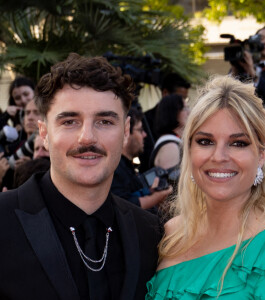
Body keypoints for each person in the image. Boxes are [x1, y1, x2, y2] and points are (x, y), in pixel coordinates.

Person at [0, 53, 162, 300]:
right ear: (43, 132)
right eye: (70, 121)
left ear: (126, 131)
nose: (87, 137)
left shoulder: (150, 234)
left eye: (105, 121)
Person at [146, 75, 265, 299]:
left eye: (238, 143)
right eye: (205, 141)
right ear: (189, 150)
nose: (219, 157)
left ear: (261, 154)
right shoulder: (169, 235)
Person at [111, 107, 172, 210]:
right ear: (126, 132)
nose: (144, 134)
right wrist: (157, 197)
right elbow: (125, 206)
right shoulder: (115, 168)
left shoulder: (126, 166)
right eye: (140, 130)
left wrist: (150, 193)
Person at [139, 73, 191, 172]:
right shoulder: (145, 120)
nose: (188, 111)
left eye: (185, 100)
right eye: (181, 102)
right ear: (165, 93)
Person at [150, 94, 189, 170]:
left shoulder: (171, 143)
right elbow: (171, 181)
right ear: (173, 112)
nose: (189, 111)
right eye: (184, 108)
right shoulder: (170, 147)